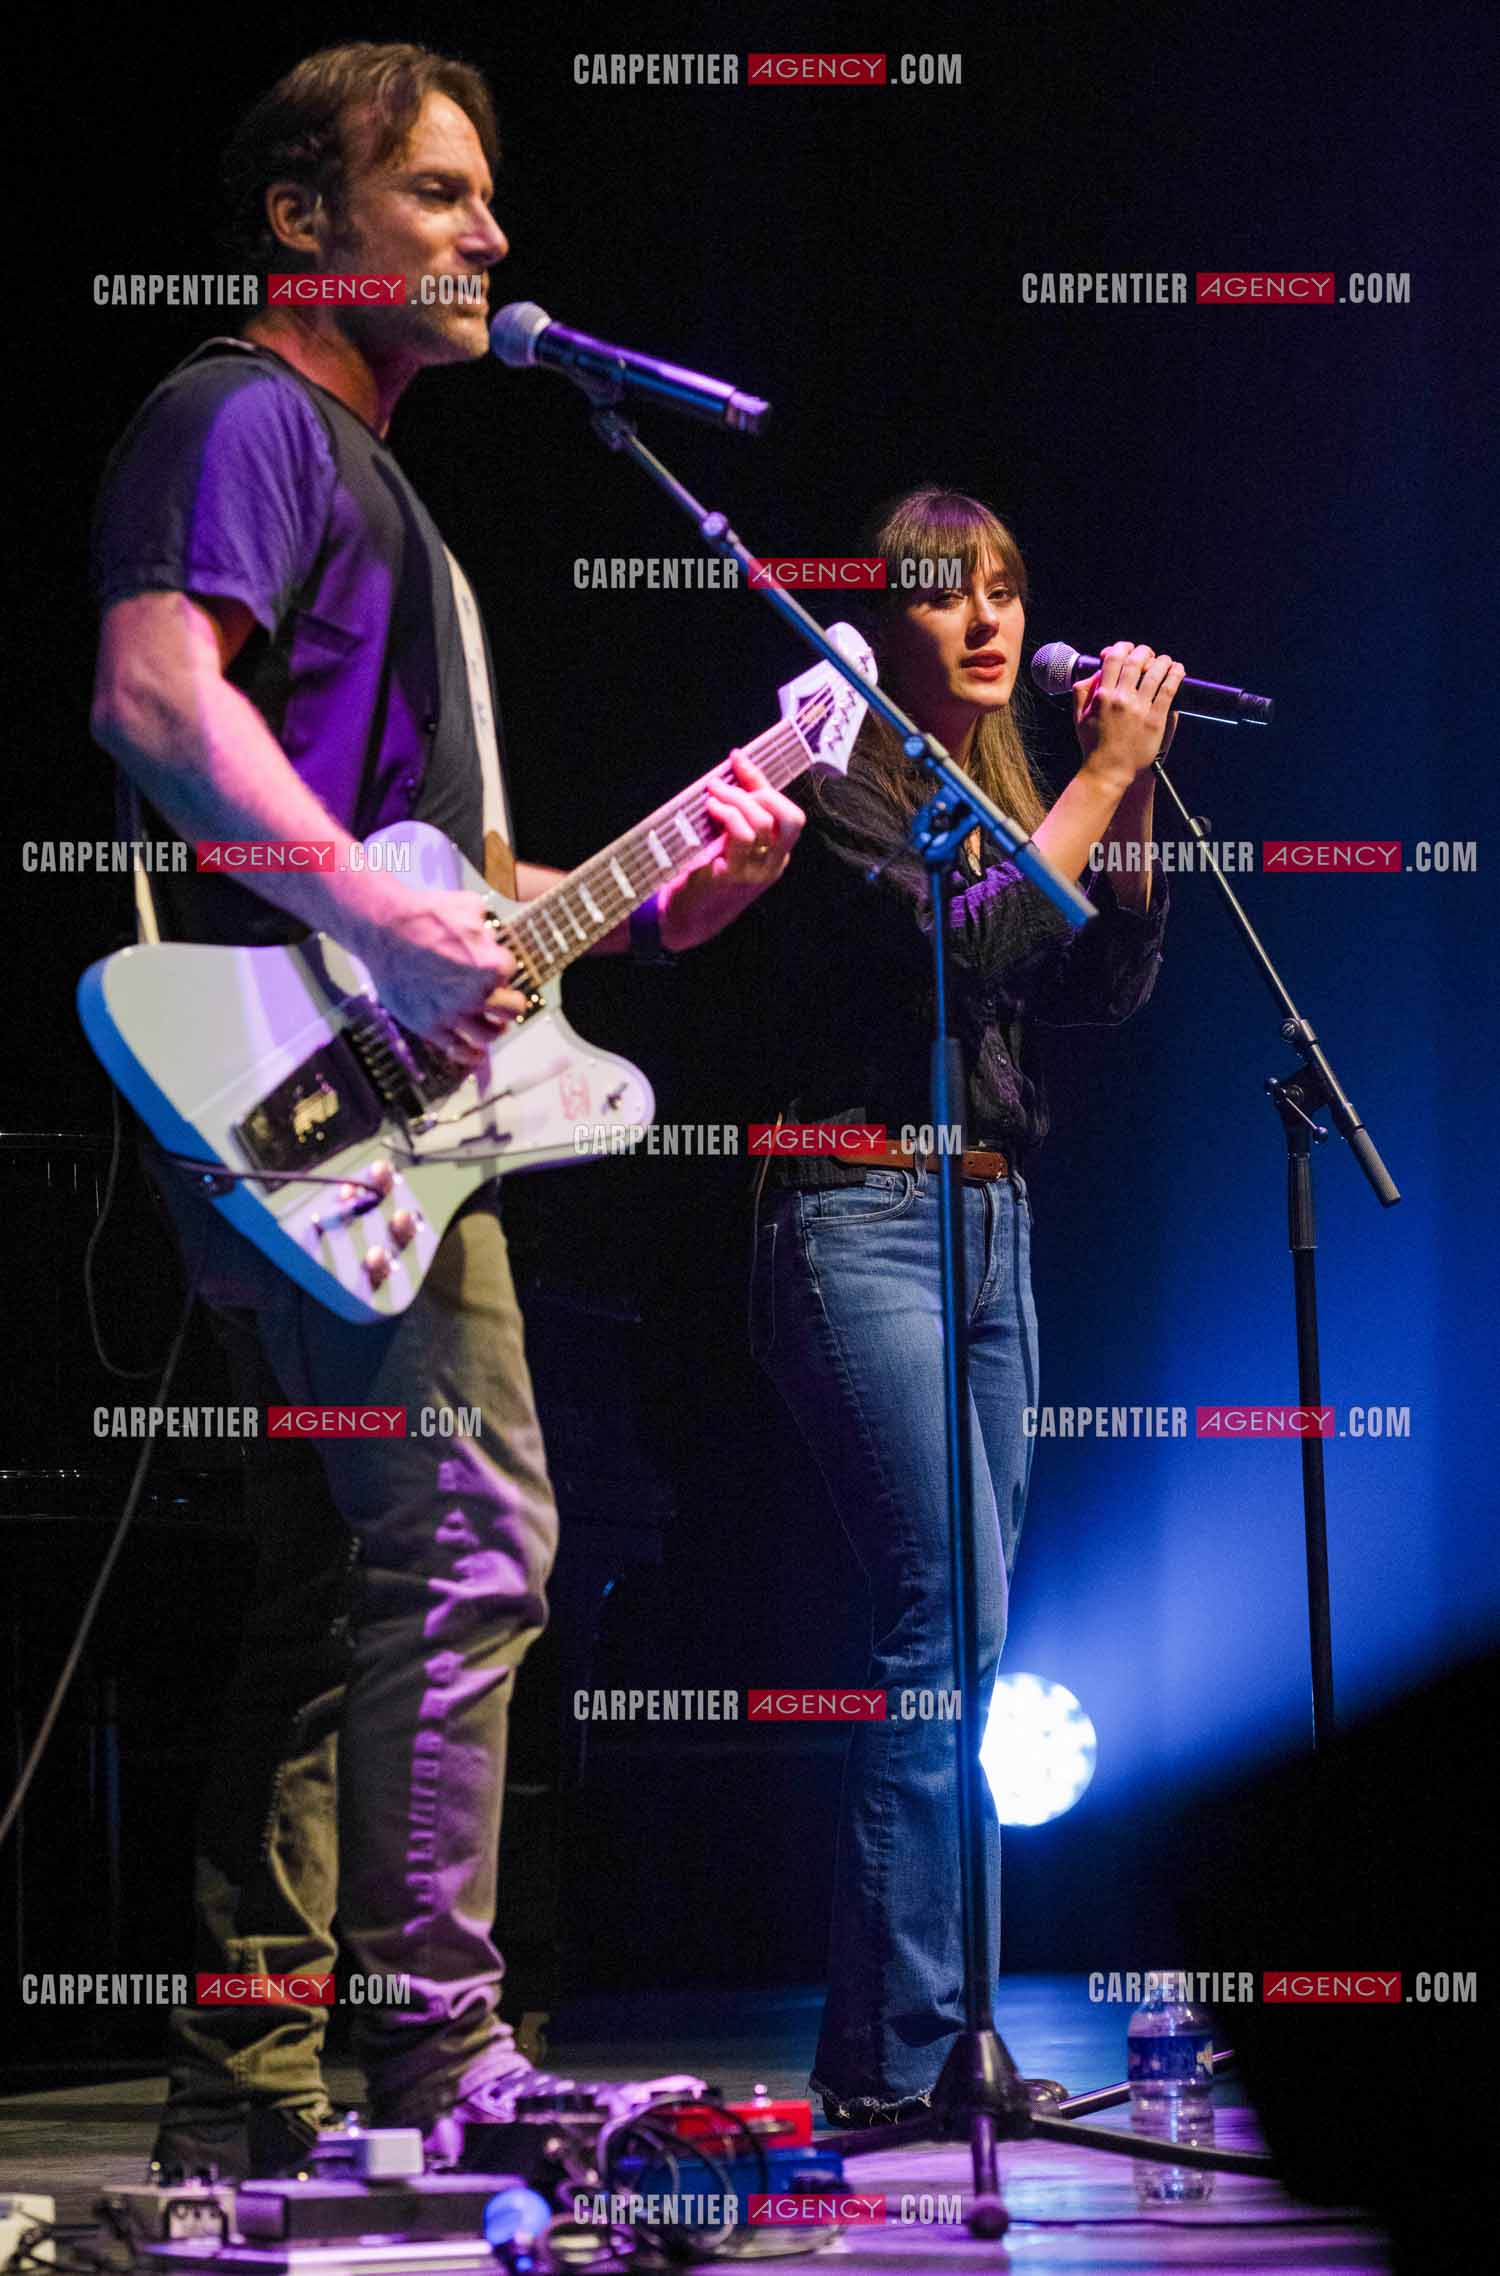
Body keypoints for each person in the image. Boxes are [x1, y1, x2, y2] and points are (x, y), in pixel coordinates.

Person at [88, 40, 803, 2179]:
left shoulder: (389, 489)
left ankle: (258, 2090)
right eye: (440, 195)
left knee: (342, 1595)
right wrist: (374, 926)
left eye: (487, 201)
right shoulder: (242, 413)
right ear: (307, 225)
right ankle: (438, 2052)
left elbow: (463, 893)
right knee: (480, 1536)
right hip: (310, 1089)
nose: (491, 238)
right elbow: (152, 692)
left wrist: (661, 898)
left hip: (374, 1101)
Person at [748, 487, 1178, 2124]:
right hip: (858, 1212)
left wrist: (1127, 813)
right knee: (946, 1622)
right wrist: (1102, 776)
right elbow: (987, 937)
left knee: (974, 1644)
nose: (989, 620)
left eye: (1006, 587)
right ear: (891, 618)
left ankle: (913, 2050)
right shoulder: (842, 774)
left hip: (993, 1220)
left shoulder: (1000, 781)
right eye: (948, 596)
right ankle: (911, 2056)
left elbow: (1098, 982)